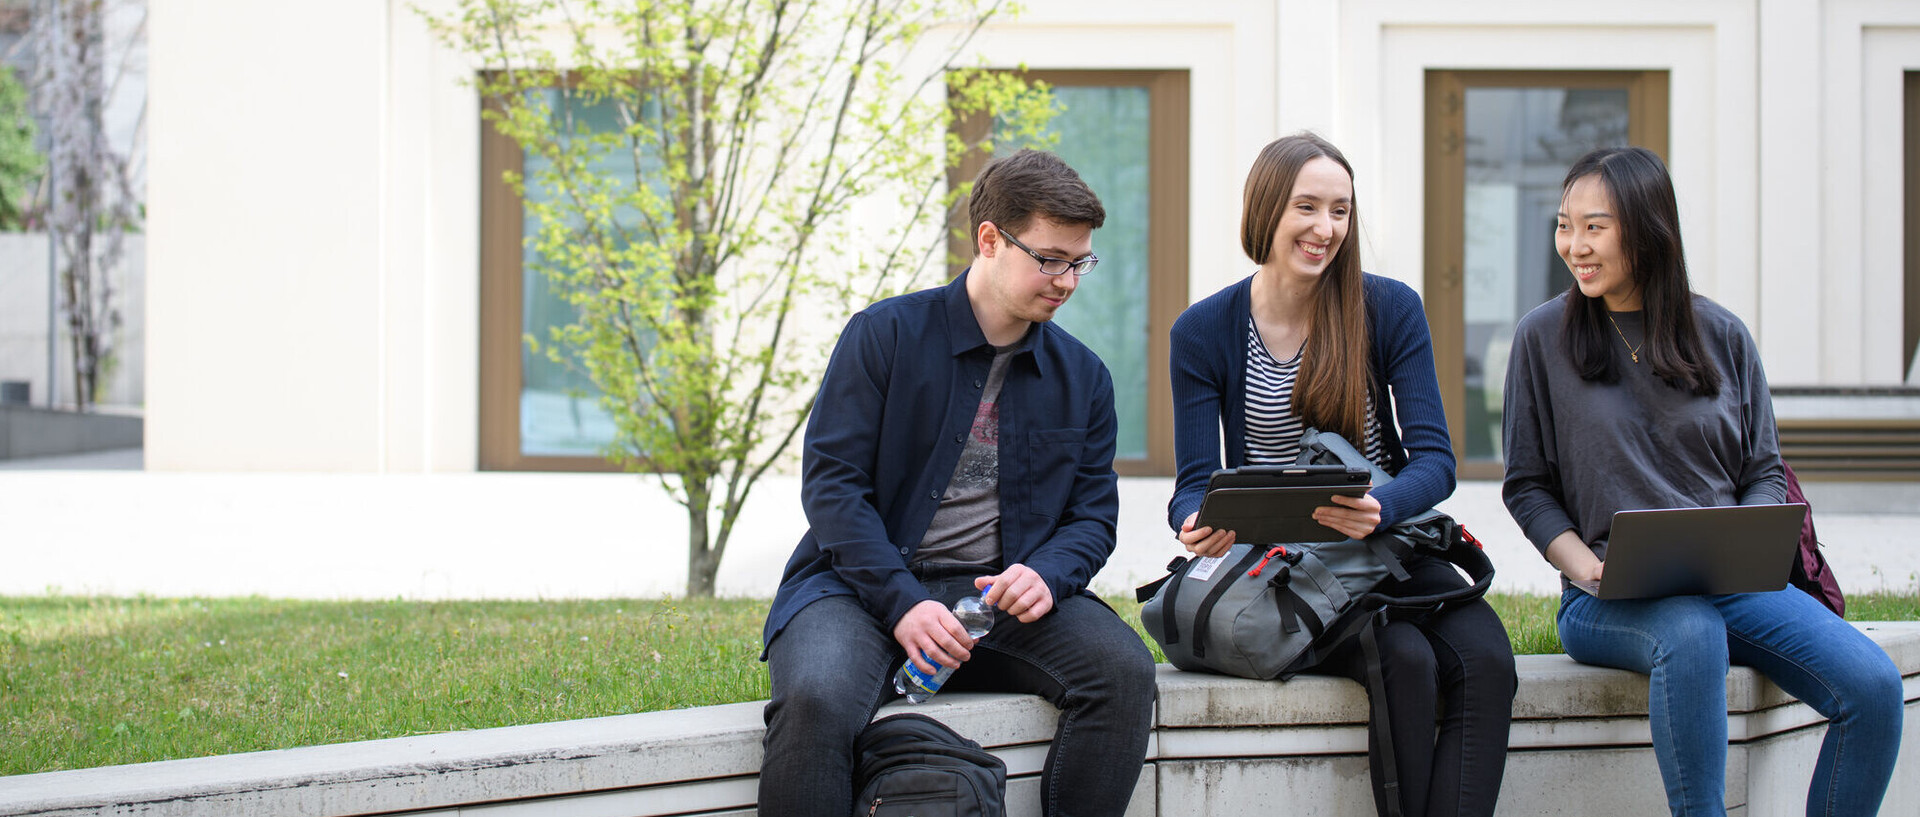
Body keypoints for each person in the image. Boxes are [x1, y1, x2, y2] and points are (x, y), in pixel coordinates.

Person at [1502, 145, 1903, 817]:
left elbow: (1763, 468)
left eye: (1594, 226)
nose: (1574, 244)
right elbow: (1527, 485)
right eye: (1565, 224)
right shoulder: (1542, 339)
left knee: (1875, 686)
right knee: (1689, 635)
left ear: (1647, 227)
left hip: (1731, 586)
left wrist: (1747, 543)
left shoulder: (1722, 334)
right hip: (1608, 598)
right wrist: (1586, 568)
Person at [758, 149, 1157, 816]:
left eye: (1080, 260)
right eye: (1050, 258)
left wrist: (1048, 574)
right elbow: (833, 488)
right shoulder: (882, 336)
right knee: (817, 698)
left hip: (997, 600)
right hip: (862, 589)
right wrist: (903, 602)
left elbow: (1093, 517)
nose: (1067, 280)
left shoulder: (1084, 377)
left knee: (1124, 672)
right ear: (990, 239)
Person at [1168, 132, 1516, 817]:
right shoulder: (1202, 330)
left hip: (1385, 539)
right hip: (1283, 565)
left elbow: (1437, 460)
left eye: (1340, 210)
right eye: (1307, 207)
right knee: (1407, 662)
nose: (1325, 229)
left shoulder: (1388, 307)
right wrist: (1189, 517)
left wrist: (1383, 507)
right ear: (1266, 209)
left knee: (1487, 662)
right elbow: (1194, 477)